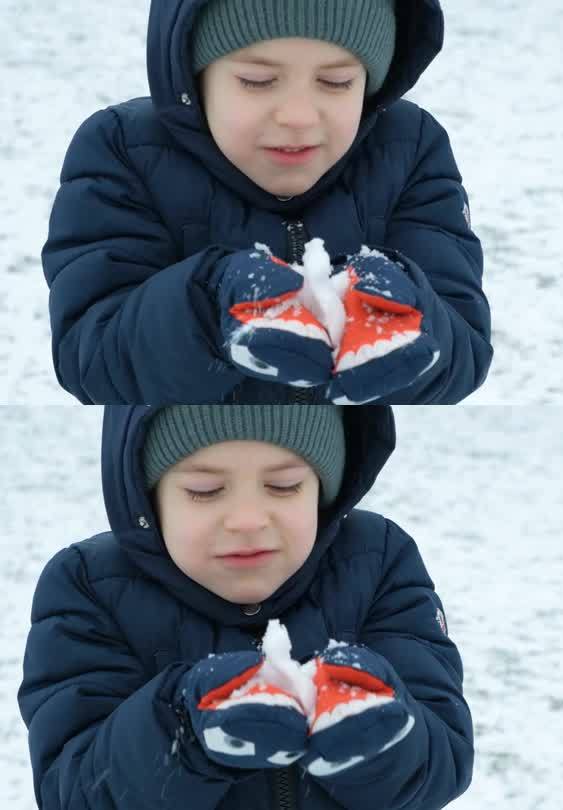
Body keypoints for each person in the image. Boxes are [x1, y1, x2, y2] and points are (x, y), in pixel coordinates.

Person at [19, 405, 474, 809]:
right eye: (205, 489)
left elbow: (442, 764)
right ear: (147, 496)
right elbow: (73, 791)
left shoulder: (376, 561)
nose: (248, 520)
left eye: (284, 485)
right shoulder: (90, 586)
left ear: (324, 489)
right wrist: (184, 732)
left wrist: (380, 732)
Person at [43, 0, 492, 404]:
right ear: (193, 76)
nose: (297, 116)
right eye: (257, 81)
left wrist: (408, 318)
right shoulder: (123, 149)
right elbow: (92, 362)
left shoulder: (409, 147)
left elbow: (463, 357)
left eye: (336, 82)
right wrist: (206, 306)